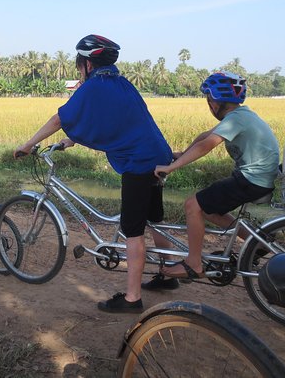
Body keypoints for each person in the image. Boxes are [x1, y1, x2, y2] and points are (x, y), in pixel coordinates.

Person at [15, 34, 174, 314]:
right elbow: (110, 120)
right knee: (152, 219)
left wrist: (28, 145)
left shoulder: (93, 87)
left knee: (132, 229)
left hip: (138, 162)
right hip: (157, 154)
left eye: (79, 65)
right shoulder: (122, 83)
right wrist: (69, 140)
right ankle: (167, 274)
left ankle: (132, 298)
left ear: (87, 64)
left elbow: (60, 118)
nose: (79, 70)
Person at [154, 72, 280, 279]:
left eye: (208, 99)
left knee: (192, 205)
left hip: (251, 180)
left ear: (215, 101)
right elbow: (205, 136)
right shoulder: (240, 115)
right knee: (209, 210)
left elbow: (207, 145)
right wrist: (181, 155)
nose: (208, 104)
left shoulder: (237, 119)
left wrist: (172, 167)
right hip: (257, 179)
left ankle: (193, 264)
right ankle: (255, 241)